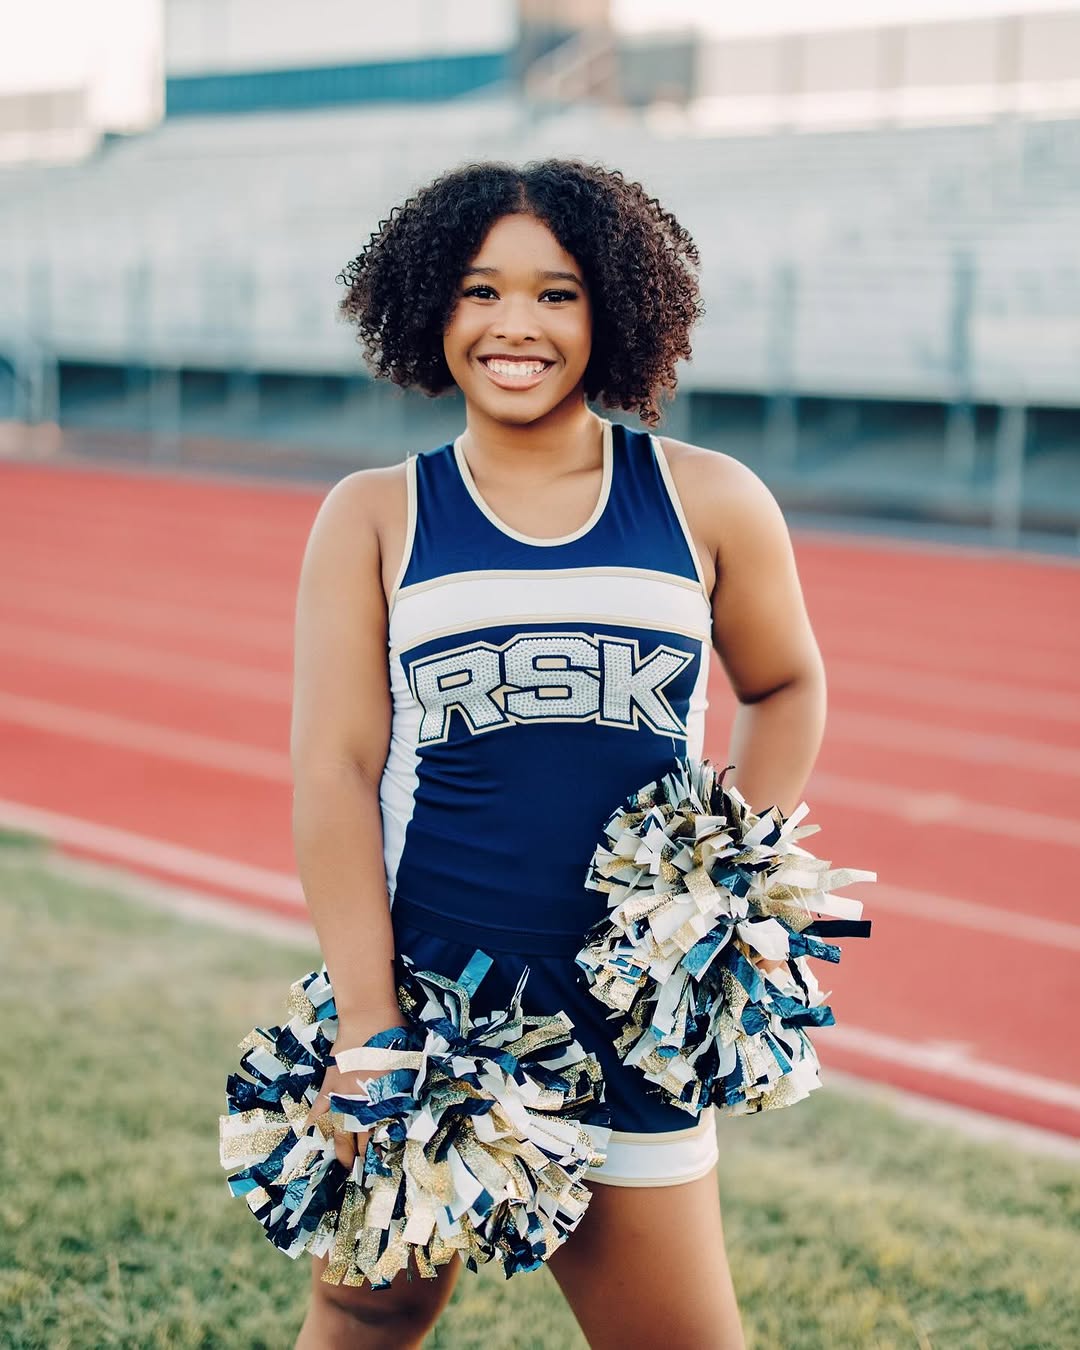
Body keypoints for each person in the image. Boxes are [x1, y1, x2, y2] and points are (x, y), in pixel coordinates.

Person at [289, 159, 826, 1349]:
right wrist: (368, 1026)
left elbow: (785, 685)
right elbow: (333, 771)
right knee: (368, 1313)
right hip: (434, 991)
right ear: (431, 305)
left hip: (627, 1011)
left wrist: (714, 880)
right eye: (481, 290)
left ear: (614, 310)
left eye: (558, 293)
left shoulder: (705, 499)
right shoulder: (376, 514)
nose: (515, 325)